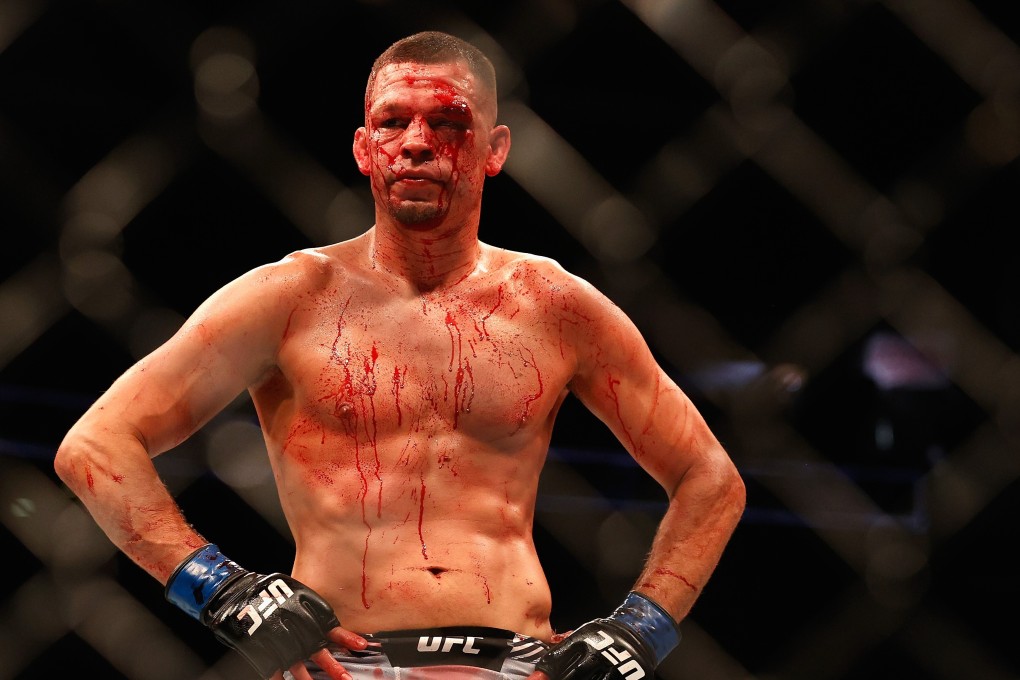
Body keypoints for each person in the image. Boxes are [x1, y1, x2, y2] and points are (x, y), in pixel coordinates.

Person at [54, 30, 746, 680]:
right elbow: (96, 444)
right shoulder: (290, 297)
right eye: (391, 122)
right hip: (343, 663)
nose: (416, 144)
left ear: (494, 147)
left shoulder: (556, 305)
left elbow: (711, 478)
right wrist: (222, 590)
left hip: (517, 661)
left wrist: (639, 630)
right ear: (362, 148)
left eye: (447, 122)